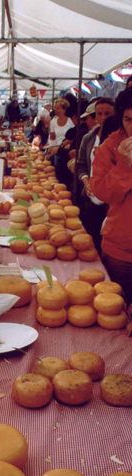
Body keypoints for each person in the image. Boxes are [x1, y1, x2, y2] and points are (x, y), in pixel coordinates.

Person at [90, 87, 132, 310]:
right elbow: (100, 191)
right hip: (120, 249)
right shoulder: (111, 145)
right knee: (112, 313)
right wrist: (125, 167)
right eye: (128, 119)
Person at [76, 97, 115, 251]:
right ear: (95, 115)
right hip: (91, 196)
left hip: (111, 201)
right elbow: (80, 166)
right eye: (99, 114)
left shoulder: (119, 140)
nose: (103, 117)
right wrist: (86, 183)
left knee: (106, 242)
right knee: (90, 239)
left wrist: (109, 155)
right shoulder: (88, 138)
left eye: (107, 113)